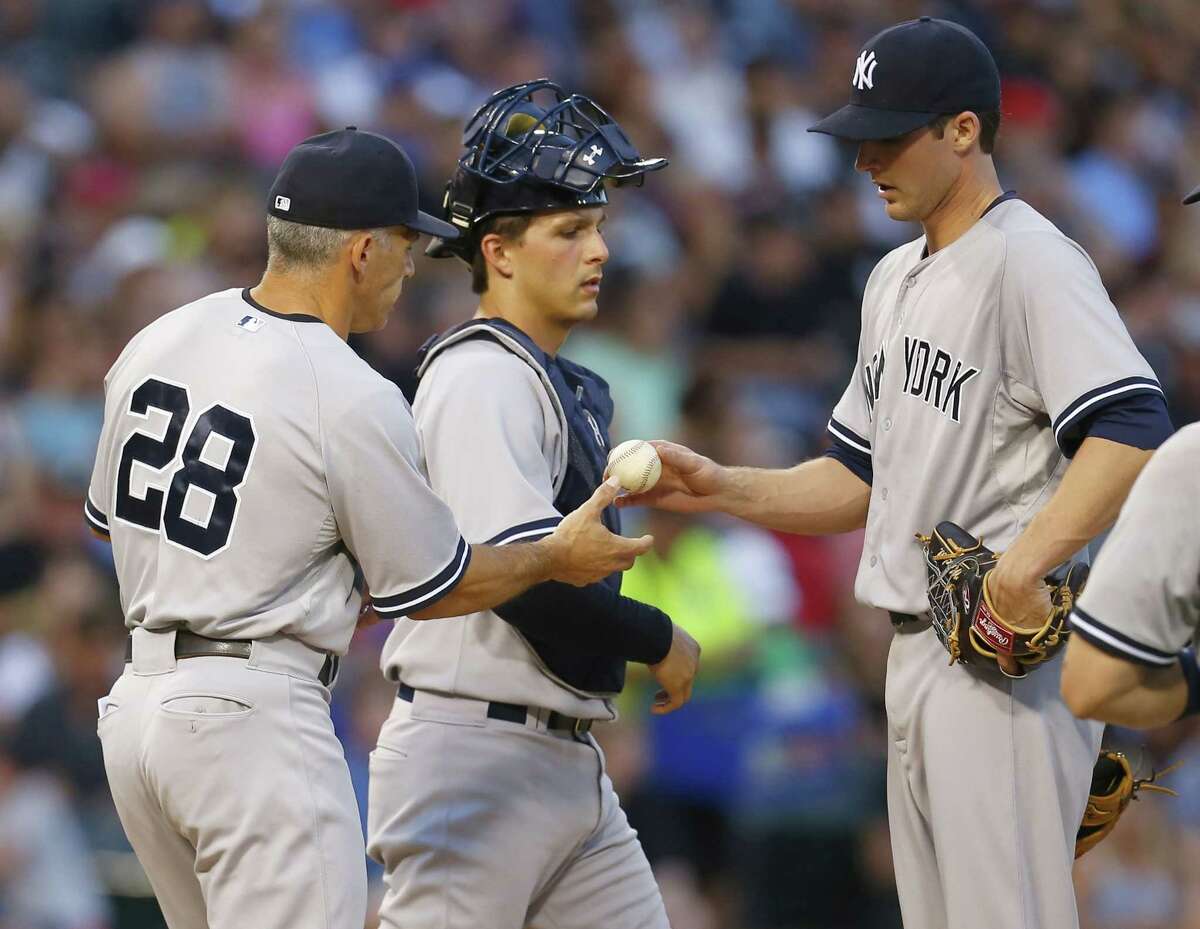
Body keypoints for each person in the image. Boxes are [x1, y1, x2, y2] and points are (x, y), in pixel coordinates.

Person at [621, 18, 1175, 929]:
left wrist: (1022, 568)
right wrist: (720, 485)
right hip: (913, 654)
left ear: (964, 130)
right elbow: (854, 475)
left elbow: (1129, 428)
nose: (865, 159)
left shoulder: (1031, 261)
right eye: (860, 136)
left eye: (890, 136)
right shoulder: (891, 278)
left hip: (1000, 662)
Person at [84, 126, 651, 929]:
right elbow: (441, 586)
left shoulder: (163, 335)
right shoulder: (347, 388)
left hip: (139, 716)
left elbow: (113, 528)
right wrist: (555, 554)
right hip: (252, 722)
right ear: (360, 251)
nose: (411, 264)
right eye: (403, 243)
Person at [365, 80, 700, 929]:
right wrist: (656, 637)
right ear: (500, 251)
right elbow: (522, 579)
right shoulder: (483, 376)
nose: (599, 251)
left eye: (596, 227)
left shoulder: (535, 375)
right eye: (571, 231)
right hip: (475, 754)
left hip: (559, 761)